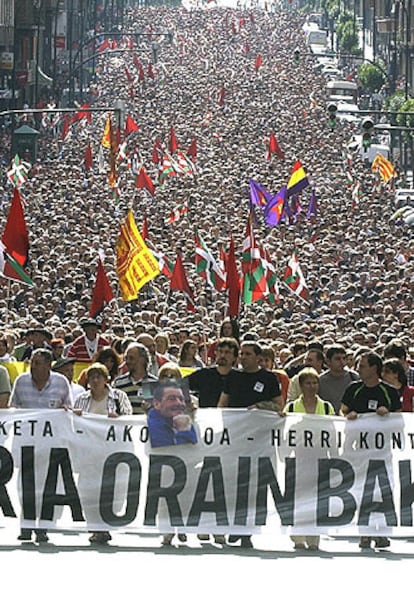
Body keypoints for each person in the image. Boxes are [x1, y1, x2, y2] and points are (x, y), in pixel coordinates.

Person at [218, 341, 282, 548]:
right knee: (233, 483)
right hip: (235, 438)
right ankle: (235, 524)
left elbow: (278, 405)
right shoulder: (233, 376)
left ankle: (248, 530)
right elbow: (223, 403)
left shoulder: (268, 378)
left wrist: (259, 406)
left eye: (247, 354)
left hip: (258, 440)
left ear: (258, 358)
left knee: (253, 485)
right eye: (241, 353)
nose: (242, 357)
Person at [9, 348, 73, 543]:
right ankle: (26, 525)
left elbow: (68, 408)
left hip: (51, 443)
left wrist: (65, 410)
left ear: (48, 365)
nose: (32, 366)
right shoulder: (21, 381)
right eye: (31, 363)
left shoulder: (61, 382)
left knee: (48, 486)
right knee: (26, 485)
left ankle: (43, 526)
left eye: (37, 363)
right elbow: (13, 408)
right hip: (26, 442)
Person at [340, 351, 401, 550]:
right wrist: (350, 415)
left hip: (382, 451)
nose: (359, 368)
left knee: (382, 491)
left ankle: (381, 531)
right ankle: (365, 532)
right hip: (359, 450)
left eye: (363, 365)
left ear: (374, 368)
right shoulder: (354, 389)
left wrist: (388, 414)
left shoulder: (389, 392)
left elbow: (400, 421)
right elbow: (343, 410)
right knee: (362, 490)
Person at [74, 362, 132, 545]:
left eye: (99, 376)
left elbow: (130, 420)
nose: (95, 380)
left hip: (112, 453)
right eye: (92, 377)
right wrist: (76, 417)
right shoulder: (82, 399)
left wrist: (119, 419)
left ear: (107, 379)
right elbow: (73, 427)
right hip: (89, 453)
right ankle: (94, 526)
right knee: (88, 490)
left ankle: (105, 525)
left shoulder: (118, 397)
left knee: (111, 490)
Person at [284, 367, 335, 551]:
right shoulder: (290, 407)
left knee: (318, 498)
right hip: (299, 458)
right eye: (308, 383)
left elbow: (333, 432)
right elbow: (284, 433)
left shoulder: (327, 407)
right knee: (299, 498)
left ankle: (314, 539)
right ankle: (298, 537)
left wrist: (334, 455)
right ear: (301, 385)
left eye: (315, 383)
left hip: (320, 457)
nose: (312, 386)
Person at [186, 337, 239, 407]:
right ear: (215, 353)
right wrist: (190, 402)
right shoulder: (204, 374)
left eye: (227, 352)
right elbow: (178, 387)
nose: (223, 355)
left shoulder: (239, 378)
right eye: (220, 351)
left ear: (235, 357)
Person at [147, 381, 197, 448]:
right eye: (171, 399)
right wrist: (183, 431)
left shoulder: (185, 421)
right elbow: (182, 454)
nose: (179, 403)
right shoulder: (152, 428)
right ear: (156, 404)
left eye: (181, 399)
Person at [112, 342, 157, 413]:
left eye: (131, 358)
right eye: (126, 358)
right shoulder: (118, 383)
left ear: (142, 359)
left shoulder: (155, 383)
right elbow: (112, 407)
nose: (127, 361)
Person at [318, 344, 359, 414]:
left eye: (344, 358)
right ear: (328, 361)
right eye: (337, 359)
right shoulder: (320, 380)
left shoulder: (354, 377)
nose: (342, 362)